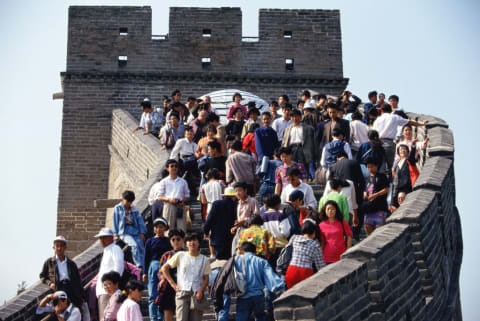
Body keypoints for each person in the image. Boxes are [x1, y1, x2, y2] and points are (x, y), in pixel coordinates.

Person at [161, 233, 211, 321]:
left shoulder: (205, 259)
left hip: (197, 294)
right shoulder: (180, 255)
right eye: (189, 240)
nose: (192, 243)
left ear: (199, 242)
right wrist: (173, 284)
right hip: (182, 292)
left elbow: (206, 279)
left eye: (194, 240)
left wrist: (201, 290)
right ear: (186, 243)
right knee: (181, 319)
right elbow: (164, 268)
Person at [373, 104, 427, 180]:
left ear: (382, 111)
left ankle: (380, 183)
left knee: (381, 165)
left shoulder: (377, 120)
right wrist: (422, 124)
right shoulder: (394, 117)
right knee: (391, 166)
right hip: (389, 144)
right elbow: (409, 122)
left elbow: (373, 133)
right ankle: (390, 184)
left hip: (378, 143)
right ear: (391, 110)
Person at [234, 242, 285, 321]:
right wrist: (281, 289)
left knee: (241, 317)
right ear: (255, 252)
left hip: (243, 296)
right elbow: (271, 278)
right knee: (260, 317)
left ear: (241, 251)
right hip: (258, 296)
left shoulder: (236, 260)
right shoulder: (262, 261)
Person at [39, 236, 85, 311]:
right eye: (57, 246)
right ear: (54, 247)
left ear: (65, 247)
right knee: (60, 312)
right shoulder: (49, 262)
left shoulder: (71, 263)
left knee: (73, 310)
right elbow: (42, 276)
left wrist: (82, 296)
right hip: (58, 287)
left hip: (71, 288)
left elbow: (78, 280)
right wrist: (50, 283)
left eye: (61, 246)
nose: (59, 248)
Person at [142, 218, 171, 321]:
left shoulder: (168, 241)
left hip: (164, 267)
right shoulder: (150, 241)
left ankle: (161, 317)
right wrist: (144, 272)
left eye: (161, 227)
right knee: (152, 294)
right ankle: (153, 318)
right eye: (156, 227)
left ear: (165, 228)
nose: (158, 229)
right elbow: (146, 257)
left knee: (162, 293)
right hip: (153, 266)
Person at [284, 220, 325, 289]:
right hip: (305, 272)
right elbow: (320, 266)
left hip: (291, 270)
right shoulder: (315, 245)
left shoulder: (294, 238)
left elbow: (287, 249)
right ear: (314, 233)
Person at [95, 228, 124, 321]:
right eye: (100, 238)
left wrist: (112, 287)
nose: (102, 240)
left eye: (105, 237)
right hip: (102, 291)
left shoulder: (115, 249)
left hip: (108, 291)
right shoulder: (106, 250)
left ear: (112, 238)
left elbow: (118, 268)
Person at [156, 229, 185, 321]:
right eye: (173, 239)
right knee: (168, 311)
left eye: (178, 239)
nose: (176, 242)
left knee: (184, 313)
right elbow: (160, 270)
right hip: (168, 286)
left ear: (183, 240)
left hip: (184, 285)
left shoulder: (187, 254)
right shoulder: (166, 255)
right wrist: (162, 279)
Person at [112, 191, 146, 269]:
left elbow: (140, 221)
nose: (128, 204)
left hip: (134, 230)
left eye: (130, 202)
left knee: (141, 246)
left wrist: (142, 232)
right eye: (127, 201)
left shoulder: (134, 209)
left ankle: (144, 264)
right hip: (124, 232)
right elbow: (115, 221)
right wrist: (115, 234)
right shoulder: (117, 208)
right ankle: (139, 264)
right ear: (123, 199)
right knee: (134, 245)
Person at [203, 187, 238, 259]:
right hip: (230, 237)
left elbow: (209, 219)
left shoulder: (217, 204)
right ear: (234, 197)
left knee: (219, 260)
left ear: (224, 196)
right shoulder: (236, 205)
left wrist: (206, 231)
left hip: (217, 238)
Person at [156, 159, 190, 232]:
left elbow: (187, 196)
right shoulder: (164, 182)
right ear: (167, 168)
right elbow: (159, 197)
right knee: (168, 228)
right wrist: (169, 199)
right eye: (172, 166)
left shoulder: (183, 182)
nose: (174, 168)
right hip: (169, 205)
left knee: (182, 229)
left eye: (176, 166)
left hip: (180, 205)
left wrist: (183, 200)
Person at [358, 157, 389, 236]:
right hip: (369, 208)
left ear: (376, 166)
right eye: (368, 167)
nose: (370, 169)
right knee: (367, 226)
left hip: (380, 206)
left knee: (379, 228)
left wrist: (376, 194)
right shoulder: (368, 178)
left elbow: (386, 189)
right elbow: (366, 188)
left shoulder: (381, 176)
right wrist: (365, 193)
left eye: (371, 166)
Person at [282, 108, 316, 172]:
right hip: (291, 150)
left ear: (300, 117)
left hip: (302, 149)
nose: (295, 118)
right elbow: (284, 142)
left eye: (296, 116)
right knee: (291, 168)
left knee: (303, 168)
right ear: (290, 118)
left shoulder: (308, 128)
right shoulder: (287, 129)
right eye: (292, 117)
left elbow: (313, 142)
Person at [391, 144, 418, 209]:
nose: (402, 151)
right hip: (398, 192)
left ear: (408, 152)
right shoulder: (397, 165)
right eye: (400, 149)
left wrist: (413, 147)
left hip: (407, 190)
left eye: (404, 149)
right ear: (398, 153)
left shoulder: (408, 161)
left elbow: (412, 158)